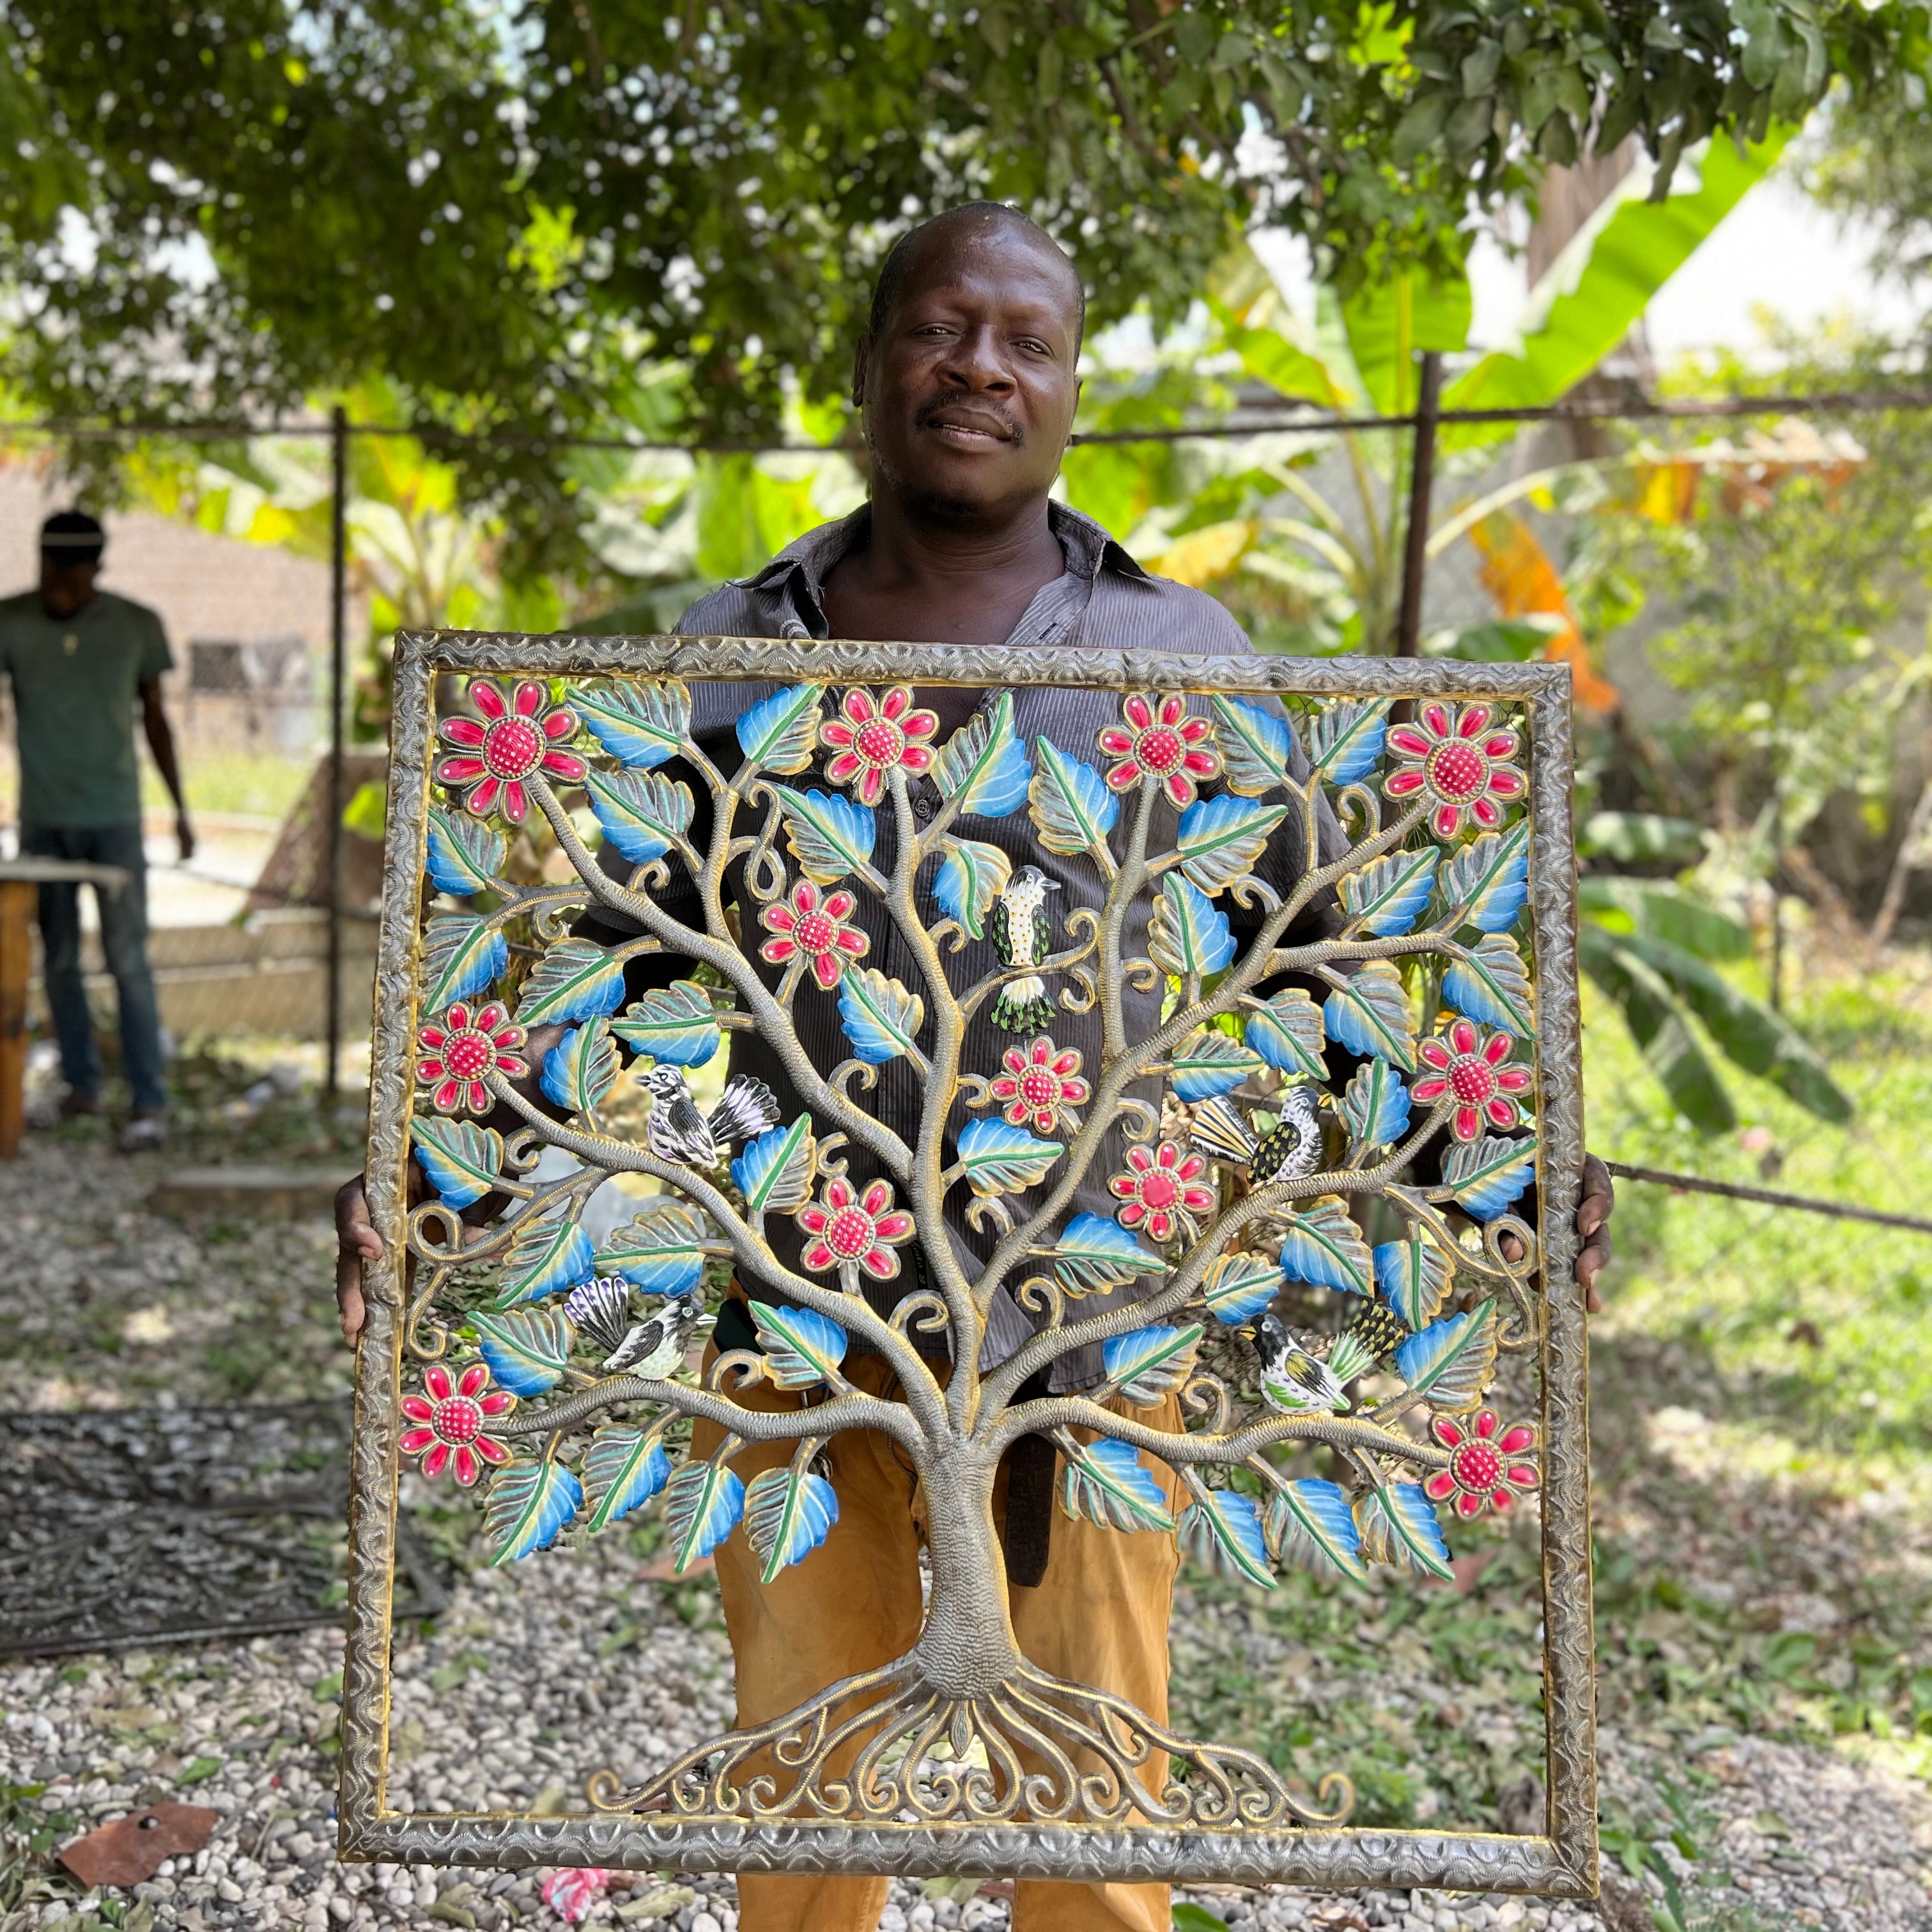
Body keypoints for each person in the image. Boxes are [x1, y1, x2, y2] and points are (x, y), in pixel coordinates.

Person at [336, 205, 1615, 1932]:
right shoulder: (735, 660)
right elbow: (615, 951)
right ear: (869, 365)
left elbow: (1319, 950)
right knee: (800, 1753)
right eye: (942, 327)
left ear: (1067, 386)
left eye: (1024, 338)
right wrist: (426, 1179)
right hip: (797, 1293)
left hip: (1101, 1298)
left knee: (1094, 1764)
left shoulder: (1179, 660)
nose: (979, 366)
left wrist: (1507, 1172)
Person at [0, 510, 194, 1150]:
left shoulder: (134, 625)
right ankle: (81, 1086)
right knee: (55, 959)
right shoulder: (11, 621)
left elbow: (157, 722)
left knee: (127, 960)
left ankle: (148, 1103)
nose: (60, 584)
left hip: (113, 818)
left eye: (73, 574)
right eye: (51, 569)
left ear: (95, 569)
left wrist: (182, 810)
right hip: (43, 820)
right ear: (40, 560)